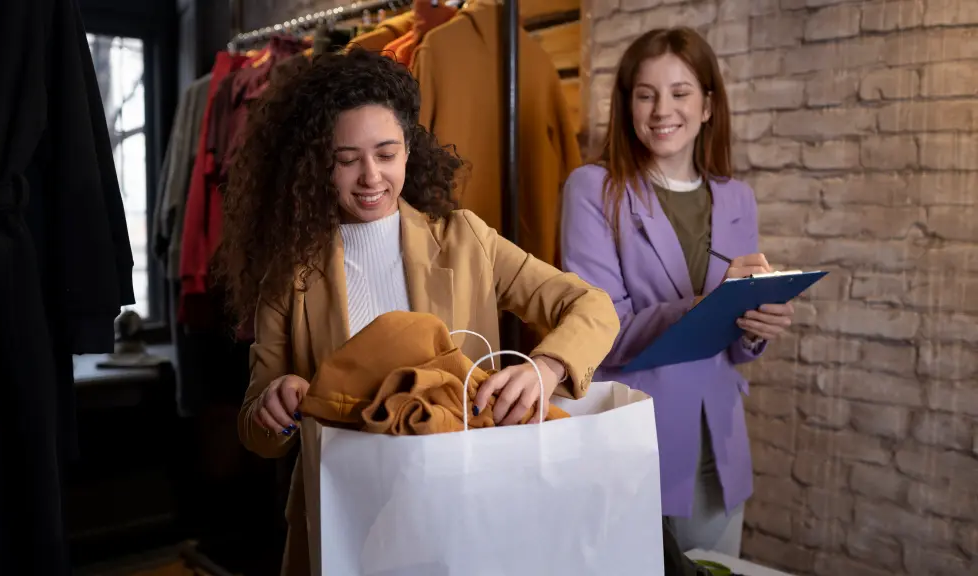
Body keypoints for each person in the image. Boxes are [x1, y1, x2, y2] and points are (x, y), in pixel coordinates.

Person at [217, 48, 620, 576]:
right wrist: (274, 406)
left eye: (386, 153)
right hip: (346, 518)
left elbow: (591, 305)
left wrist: (546, 370)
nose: (370, 176)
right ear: (318, 163)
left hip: (468, 502)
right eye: (346, 159)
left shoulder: (467, 240)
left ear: (409, 149)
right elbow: (256, 430)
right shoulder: (288, 277)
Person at [560, 27, 795, 556]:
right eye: (646, 94)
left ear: (709, 105)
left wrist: (758, 326)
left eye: (680, 92)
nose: (662, 109)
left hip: (720, 440)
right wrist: (703, 307)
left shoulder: (738, 198)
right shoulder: (592, 190)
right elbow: (601, 328)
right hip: (636, 431)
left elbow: (736, 345)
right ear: (628, 106)